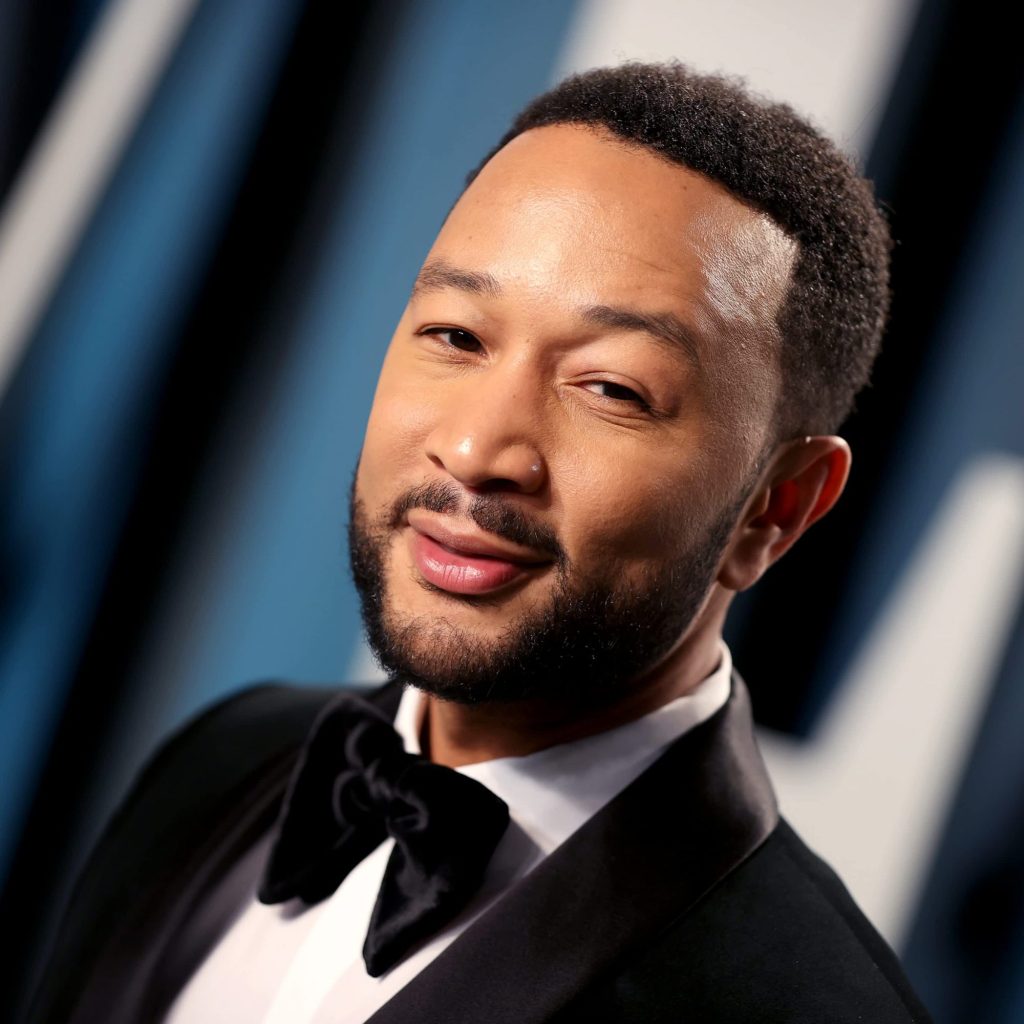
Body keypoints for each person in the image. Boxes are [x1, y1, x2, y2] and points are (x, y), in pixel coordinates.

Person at [29, 62, 932, 1023]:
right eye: (457, 336)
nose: (474, 451)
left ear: (775, 508)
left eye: (612, 389)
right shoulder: (224, 759)